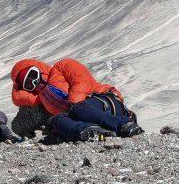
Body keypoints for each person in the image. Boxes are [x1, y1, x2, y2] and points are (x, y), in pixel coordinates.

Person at [10, 57, 142, 142]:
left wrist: (74, 103)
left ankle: (125, 125)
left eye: (33, 75)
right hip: (84, 116)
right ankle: (92, 133)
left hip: (102, 100)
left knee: (78, 110)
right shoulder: (42, 98)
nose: (35, 82)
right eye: (29, 84)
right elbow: (19, 99)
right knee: (56, 121)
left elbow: (81, 79)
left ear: (39, 68)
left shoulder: (62, 66)